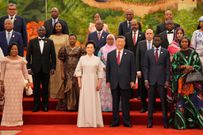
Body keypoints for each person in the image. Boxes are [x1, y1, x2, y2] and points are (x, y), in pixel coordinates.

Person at [171, 37, 203, 129]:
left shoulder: (194, 53)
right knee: (182, 103)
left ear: (188, 43)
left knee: (196, 102)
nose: (184, 43)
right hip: (182, 83)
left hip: (193, 83)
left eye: (186, 41)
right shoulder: (177, 54)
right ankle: (181, 124)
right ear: (180, 43)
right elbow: (173, 66)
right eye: (182, 42)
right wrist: (182, 67)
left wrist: (192, 68)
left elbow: (198, 65)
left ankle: (196, 122)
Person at [106, 36, 136, 127]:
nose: (119, 43)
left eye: (121, 42)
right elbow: (108, 69)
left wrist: (132, 80)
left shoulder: (130, 54)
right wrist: (108, 80)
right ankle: (115, 121)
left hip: (126, 82)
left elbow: (133, 68)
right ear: (116, 43)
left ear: (124, 43)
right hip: (114, 82)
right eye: (118, 42)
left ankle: (127, 121)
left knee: (125, 103)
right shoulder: (110, 54)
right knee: (115, 103)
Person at [26, 26, 56, 112]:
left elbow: (53, 56)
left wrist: (53, 67)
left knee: (46, 88)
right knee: (36, 88)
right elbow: (28, 56)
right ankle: (36, 105)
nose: (41, 31)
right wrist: (28, 67)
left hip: (47, 68)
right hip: (35, 69)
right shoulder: (32, 42)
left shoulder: (50, 42)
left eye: (43, 30)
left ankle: (45, 105)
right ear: (37, 31)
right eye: (40, 30)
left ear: (45, 31)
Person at [74, 41, 104, 127]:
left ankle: (95, 121)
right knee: (85, 100)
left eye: (91, 47)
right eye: (88, 47)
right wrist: (79, 82)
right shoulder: (82, 58)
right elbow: (78, 70)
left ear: (94, 49)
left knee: (94, 101)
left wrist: (99, 84)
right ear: (85, 49)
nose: (89, 49)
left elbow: (100, 72)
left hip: (94, 81)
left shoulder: (97, 59)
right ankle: (84, 122)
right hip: (84, 81)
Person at [0, 42, 30, 126]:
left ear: (18, 50)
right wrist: (1, 84)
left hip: (18, 83)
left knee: (18, 101)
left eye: (16, 49)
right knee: (9, 101)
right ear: (9, 50)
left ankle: (18, 121)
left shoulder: (21, 60)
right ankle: (7, 121)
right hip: (8, 82)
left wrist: (28, 81)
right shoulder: (5, 60)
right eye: (12, 49)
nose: (14, 50)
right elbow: (2, 72)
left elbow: (25, 72)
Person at [143, 35, 170, 128]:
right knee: (150, 102)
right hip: (151, 80)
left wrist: (167, 80)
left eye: (158, 40)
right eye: (155, 40)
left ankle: (165, 121)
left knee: (163, 102)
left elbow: (167, 67)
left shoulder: (166, 52)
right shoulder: (148, 52)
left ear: (161, 41)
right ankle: (150, 121)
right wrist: (146, 79)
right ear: (153, 41)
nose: (157, 41)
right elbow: (145, 67)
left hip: (162, 81)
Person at [57, 34, 85, 111]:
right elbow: (61, 62)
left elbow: (83, 61)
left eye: (73, 39)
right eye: (70, 39)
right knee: (68, 87)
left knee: (76, 87)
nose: (72, 40)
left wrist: (82, 71)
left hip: (77, 70)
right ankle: (68, 106)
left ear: (76, 40)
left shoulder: (80, 49)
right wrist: (62, 72)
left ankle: (76, 106)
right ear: (68, 40)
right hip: (67, 70)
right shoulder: (64, 49)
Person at [125, 19, 145, 99]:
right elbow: (125, 47)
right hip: (129, 59)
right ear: (130, 26)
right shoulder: (127, 35)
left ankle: (140, 94)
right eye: (132, 25)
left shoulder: (142, 35)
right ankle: (129, 94)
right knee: (129, 76)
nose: (134, 26)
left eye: (135, 25)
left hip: (140, 59)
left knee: (140, 77)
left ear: (138, 25)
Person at [49, 21, 69, 98]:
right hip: (53, 60)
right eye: (56, 26)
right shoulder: (51, 37)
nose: (58, 28)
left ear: (62, 27)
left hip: (63, 61)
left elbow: (68, 49)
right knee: (53, 77)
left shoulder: (66, 37)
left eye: (59, 26)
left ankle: (62, 95)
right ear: (54, 28)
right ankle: (53, 94)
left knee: (62, 77)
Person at [136, 29, 154, 113]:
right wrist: (138, 70)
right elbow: (137, 57)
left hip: (154, 70)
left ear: (153, 34)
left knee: (152, 89)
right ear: (145, 35)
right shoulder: (140, 43)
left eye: (150, 33)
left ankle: (152, 107)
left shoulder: (156, 43)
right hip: (143, 70)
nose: (149, 35)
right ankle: (143, 106)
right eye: (147, 33)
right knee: (143, 89)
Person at [98, 34, 116, 111]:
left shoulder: (117, 48)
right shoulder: (102, 49)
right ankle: (104, 107)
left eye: (112, 39)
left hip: (114, 72)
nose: (110, 40)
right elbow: (98, 60)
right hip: (104, 72)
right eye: (108, 39)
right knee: (104, 89)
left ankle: (113, 106)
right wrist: (104, 67)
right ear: (106, 40)